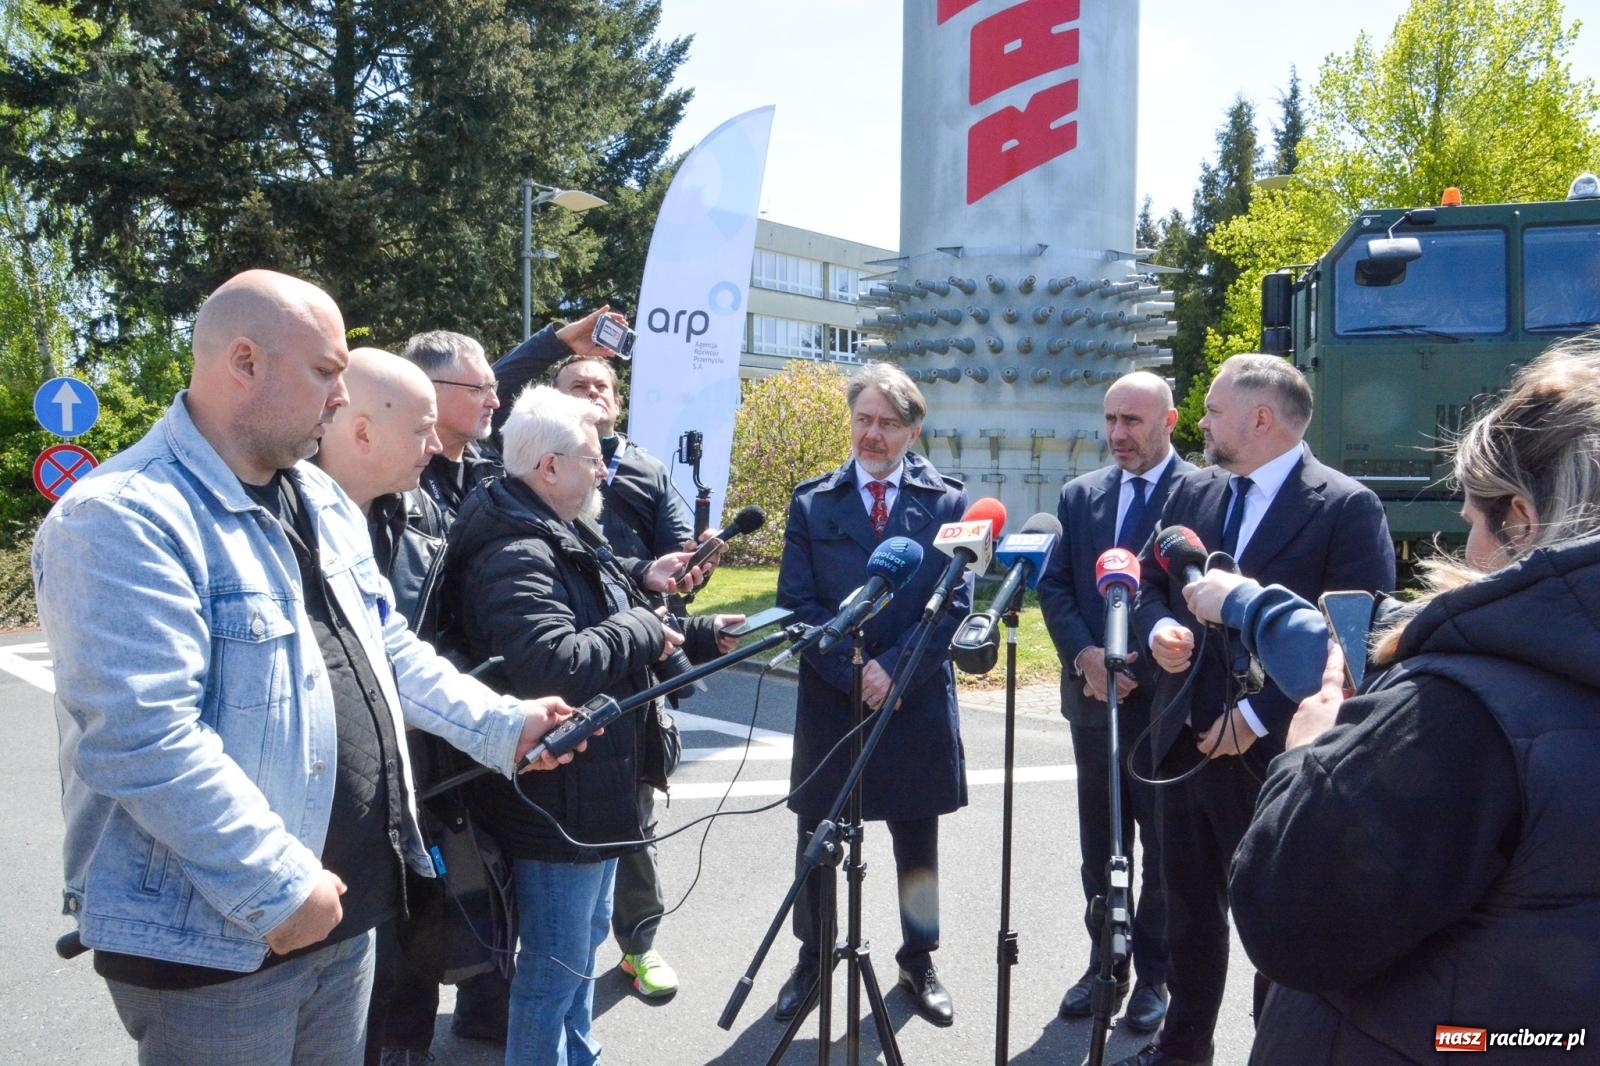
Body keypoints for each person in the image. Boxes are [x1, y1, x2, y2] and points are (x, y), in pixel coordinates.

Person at [32, 270, 578, 1065]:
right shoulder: (121, 517)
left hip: (339, 913)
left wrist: (503, 724)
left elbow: (383, 650)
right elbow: (144, 738)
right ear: (244, 362)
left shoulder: (319, 502)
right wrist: (278, 887)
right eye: (325, 371)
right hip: (221, 939)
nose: (340, 393)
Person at [1192, 339, 1600, 1064]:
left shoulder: (1455, 709)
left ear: (1522, 518)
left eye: (1475, 522)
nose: (1469, 549)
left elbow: (1290, 921)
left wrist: (1311, 755)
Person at [441, 386, 737, 1066]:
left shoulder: (561, 527)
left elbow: (618, 622)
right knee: (553, 967)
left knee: (581, 945)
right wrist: (642, 625)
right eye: (592, 456)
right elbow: (559, 662)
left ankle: (582, 1054)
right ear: (547, 466)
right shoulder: (517, 549)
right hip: (557, 804)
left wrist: (692, 634)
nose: (606, 468)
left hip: (592, 794)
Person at [1122, 353, 1395, 1066]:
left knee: (1280, 916)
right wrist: (1160, 632)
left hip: (1280, 761)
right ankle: (1183, 1047)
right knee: (1186, 908)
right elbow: (1152, 580)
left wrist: (1252, 721)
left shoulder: (1345, 506)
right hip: (1182, 741)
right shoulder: (1195, 495)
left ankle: (1273, 1050)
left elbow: (1350, 646)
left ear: (1261, 419)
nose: (1203, 422)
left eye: (1212, 410)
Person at [774, 362, 970, 1028]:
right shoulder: (813, 502)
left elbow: (953, 606)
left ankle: (919, 958)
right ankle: (811, 958)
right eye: (863, 420)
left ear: (913, 431)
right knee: (819, 839)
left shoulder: (947, 504)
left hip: (911, 703)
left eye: (888, 424)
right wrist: (855, 671)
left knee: (918, 843)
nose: (873, 435)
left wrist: (893, 669)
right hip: (833, 702)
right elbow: (796, 608)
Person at [1038, 371, 1190, 1033]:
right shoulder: (1080, 496)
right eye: (1110, 420)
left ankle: (1156, 975)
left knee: (1163, 847)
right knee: (1100, 842)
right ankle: (1106, 959)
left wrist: (1147, 666)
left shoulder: (1203, 493)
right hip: (1095, 701)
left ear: (1170, 422)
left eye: (1132, 421)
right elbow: (1055, 589)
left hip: (1167, 706)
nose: (1118, 434)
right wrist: (1086, 657)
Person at [400, 330, 506, 518]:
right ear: (429, 389)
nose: (494, 402)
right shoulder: (396, 481)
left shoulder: (494, 474)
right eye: (480, 388)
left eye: (493, 387)